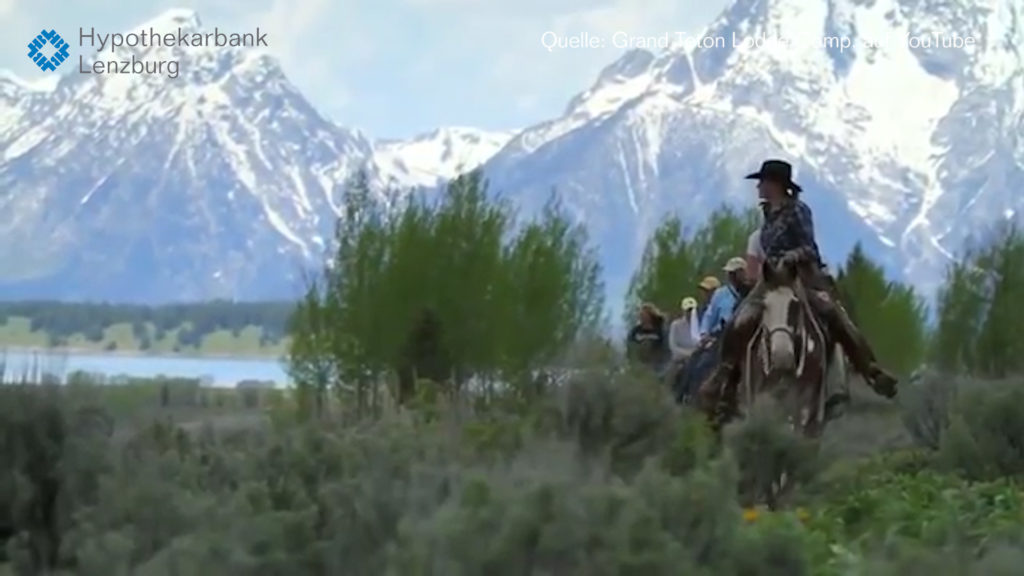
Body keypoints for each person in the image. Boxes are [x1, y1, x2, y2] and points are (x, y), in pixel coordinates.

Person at [699, 159, 899, 417]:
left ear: (776, 184)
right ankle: (725, 378)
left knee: (832, 313)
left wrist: (790, 258)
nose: (759, 186)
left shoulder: (799, 210)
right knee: (741, 318)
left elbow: (809, 248)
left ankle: (870, 370)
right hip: (771, 278)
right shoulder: (767, 214)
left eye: (763, 181)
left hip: (802, 275)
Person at [699, 257, 748, 341]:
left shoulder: (750, 292)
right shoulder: (720, 294)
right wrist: (704, 333)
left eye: (734, 273)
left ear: (742, 273)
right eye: (730, 273)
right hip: (721, 335)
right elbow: (710, 315)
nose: (731, 276)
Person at [627, 302, 670, 373]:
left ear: (650, 316)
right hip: (639, 366)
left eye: (644, 315)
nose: (642, 317)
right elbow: (630, 348)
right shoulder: (635, 331)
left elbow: (666, 348)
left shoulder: (660, 331)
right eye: (641, 315)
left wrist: (662, 365)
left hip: (657, 365)